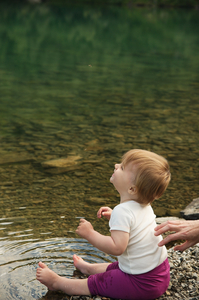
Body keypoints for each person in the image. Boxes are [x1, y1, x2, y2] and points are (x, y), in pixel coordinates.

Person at [36, 149, 171, 300]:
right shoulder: (145, 205)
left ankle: (58, 283)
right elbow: (135, 228)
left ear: (132, 189)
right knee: (117, 267)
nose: (116, 165)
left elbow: (117, 248)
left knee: (99, 283)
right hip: (160, 274)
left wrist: (90, 233)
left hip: (141, 284)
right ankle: (87, 268)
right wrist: (115, 217)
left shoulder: (123, 211)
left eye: (122, 168)